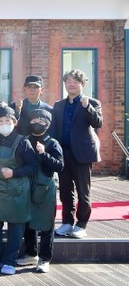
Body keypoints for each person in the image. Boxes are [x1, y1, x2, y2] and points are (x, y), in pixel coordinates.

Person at [0, 106, 37, 275]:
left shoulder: (23, 142)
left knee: (16, 227)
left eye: (8, 121)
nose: (4, 124)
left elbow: (33, 166)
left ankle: (10, 261)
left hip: (16, 190)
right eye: (0, 121)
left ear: (15, 122)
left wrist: (14, 173)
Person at [51, 69, 102, 240]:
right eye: (68, 82)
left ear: (83, 84)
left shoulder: (92, 103)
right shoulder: (59, 105)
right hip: (63, 153)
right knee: (65, 191)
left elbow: (97, 123)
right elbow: (54, 129)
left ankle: (81, 225)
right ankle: (67, 222)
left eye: (75, 82)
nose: (71, 85)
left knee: (83, 192)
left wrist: (87, 107)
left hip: (82, 154)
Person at [16, 109, 63, 273]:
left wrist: (44, 154)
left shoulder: (52, 143)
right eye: (34, 120)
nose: (37, 123)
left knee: (46, 224)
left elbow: (59, 166)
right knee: (28, 222)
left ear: (47, 124)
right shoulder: (25, 141)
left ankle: (44, 258)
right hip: (27, 186)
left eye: (41, 121)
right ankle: (31, 253)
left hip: (46, 188)